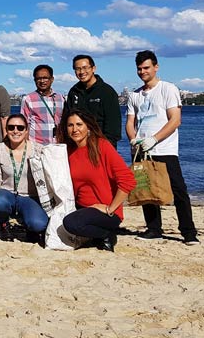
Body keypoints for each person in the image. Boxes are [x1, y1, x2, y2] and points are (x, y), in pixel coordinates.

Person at [126, 50, 199, 245]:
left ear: (156, 67)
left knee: (178, 190)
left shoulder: (168, 89)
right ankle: (154, 229)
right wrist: (133, 139)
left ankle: (188, 232)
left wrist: (155, 139)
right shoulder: (135, 95)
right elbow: (130, 121)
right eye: (139, 69)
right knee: (146, 190)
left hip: (164, 149)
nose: (143, 72)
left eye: (146, 68)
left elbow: (175, 120)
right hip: (141, 151)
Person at [59, 110, 136, 251]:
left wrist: (110, 208)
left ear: (88, 126)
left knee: (70, 223)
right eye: (70, 125)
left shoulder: (102, 146)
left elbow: (128, 180)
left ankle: (106, 235)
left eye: (79, 124)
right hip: (81, 207)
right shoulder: (68, 151)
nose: (75, 129)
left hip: (106, 211)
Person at [0, 114, 48, 242]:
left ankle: (29, 228)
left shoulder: (38, 150)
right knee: (0, 201)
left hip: (30, 196)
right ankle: (3, 225)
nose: (15, 131)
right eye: (11, 127)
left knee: (38, 224)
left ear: (26, 130)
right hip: (7, 193)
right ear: (6, 129)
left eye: (20, 128)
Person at [64, 55, 121, 148]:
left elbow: (113, 129)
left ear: (93, 68)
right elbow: (67, 120)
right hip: (78, 146)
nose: (82, 72)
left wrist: (104, 148)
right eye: (77, 69)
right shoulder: (73, 92)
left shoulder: (107, 92)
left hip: (101, 147)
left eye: (85, 68)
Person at [20, 64, 64, 145]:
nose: (42, 81)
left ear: (52, 79)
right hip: (37, 146)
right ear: (34, 80)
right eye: (38, 78)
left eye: (45, 78)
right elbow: (24, 125)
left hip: (57, 145)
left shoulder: (61, 98)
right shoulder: (28, 99)